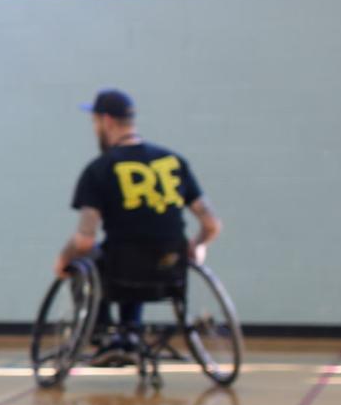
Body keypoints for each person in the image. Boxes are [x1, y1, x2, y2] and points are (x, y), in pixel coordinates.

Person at [55, 89, 223, 358]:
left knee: (87, 259)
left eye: (95, 122)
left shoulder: (100, 169)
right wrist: (198, 245)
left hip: (122, 270)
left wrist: (63, 260)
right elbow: (212, 224)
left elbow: (84, 239)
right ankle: (131, 330)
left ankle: (100, 337)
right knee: (141, 251)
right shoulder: (173, 161)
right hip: (171, 268)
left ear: (106, 121)